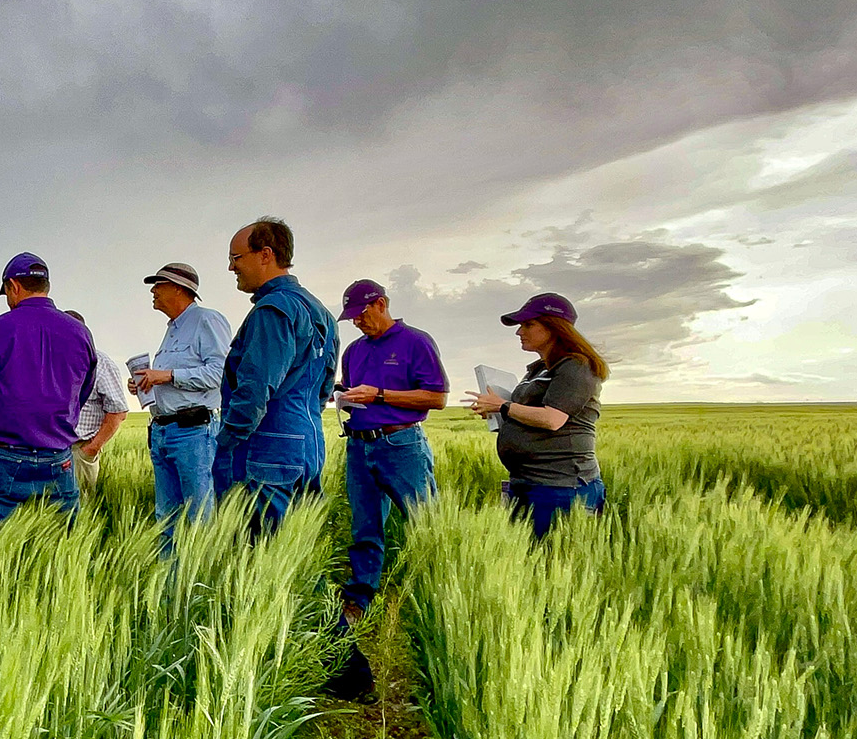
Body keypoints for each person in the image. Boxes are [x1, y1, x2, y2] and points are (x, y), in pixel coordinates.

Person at [213, 217, 338, 535]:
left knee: (260, 551)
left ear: (265, 254)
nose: (231, 268)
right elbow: (323, 388)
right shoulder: (320, 311)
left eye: (236, 258)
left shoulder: (273, 310)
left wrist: (225, 443)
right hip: (307, 441)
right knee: (300, 546)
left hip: (267, 448)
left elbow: (255, 388)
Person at [0, 252, 96, 535]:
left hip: (2, 456)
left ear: (13, 286)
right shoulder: (80, 333)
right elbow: (83, 390)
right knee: (62, 548)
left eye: (6, 292)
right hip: (60, 457)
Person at [335, 279, 447, 619]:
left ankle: (438, 591)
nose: (357, 321)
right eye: (352, 317)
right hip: (358, 445)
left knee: (424, 520)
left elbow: (437, 397)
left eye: (362, 313)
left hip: (401, 445)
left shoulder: (415, 342)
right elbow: (354, 390)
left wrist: (379, 394)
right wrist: (342, 393)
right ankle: (360, 596)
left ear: (381, 304)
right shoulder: (353, 351)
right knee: (365, 525)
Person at [465, 292, 608, 539]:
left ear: (554, 328)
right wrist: (500, 414)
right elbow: (526, 413)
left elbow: (553, 419)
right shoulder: (540, 369)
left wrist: (503, 407)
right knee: (529, 562)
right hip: (527, 483)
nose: (520, 332)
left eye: (529, 324)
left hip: (561, 487)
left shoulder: (576, 367)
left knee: (555, 563)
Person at [129, 263, 229, 541]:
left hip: (193, 432)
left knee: (198, 515)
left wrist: (168, 375)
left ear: (177, 288)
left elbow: (220, 373)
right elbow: (171, 379)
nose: (153, 291)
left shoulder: (207, 320)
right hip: (162, 431)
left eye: (159, 285)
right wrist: (147, 382)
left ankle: (200, 575)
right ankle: (169, 579)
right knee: (166, 517)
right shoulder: (172, 328)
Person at [63, 310, 131, 490]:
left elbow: (118, 411)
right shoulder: (51, 361)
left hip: (79, 449)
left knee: (81, 507)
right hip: (49, 450)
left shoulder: (101, 363)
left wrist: (91, 448)